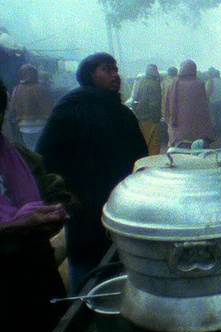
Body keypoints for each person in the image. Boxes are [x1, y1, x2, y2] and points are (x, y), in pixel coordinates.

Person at [37, 52, 148, 294]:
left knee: (122, 261)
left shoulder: (122, 112)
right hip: (84, 204)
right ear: (89, 75)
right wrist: (65, 194)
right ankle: (81, 310)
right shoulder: (69, 109)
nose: (115, 75)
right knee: (86, 266)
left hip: (122, 203)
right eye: (107, 70)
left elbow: (140, 156)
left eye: (116, 69)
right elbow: (44, 156)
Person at [0, 75, 69, 332]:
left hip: (36, 278)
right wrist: (15, 225)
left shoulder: (15, 154)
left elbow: (48, 185)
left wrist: (55, 207)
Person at [164, 59, 214, 148]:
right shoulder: (199, 83)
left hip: (177, 127)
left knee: (178, 153)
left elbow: (167, 103)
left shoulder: (173, 83)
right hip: (196, 128)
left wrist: (169, 119)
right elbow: (203, 107)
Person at [9, 63, 53, 150]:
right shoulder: (39, 89)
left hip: (24, 127)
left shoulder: (16, 89)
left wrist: (14, 122)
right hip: (40, 125)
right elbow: (47, 108)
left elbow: (12, 107)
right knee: (39, 149)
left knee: (30, 149)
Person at [132, 64, 163, 155]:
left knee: (143, 144)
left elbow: (134, 99)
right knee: (153, 146)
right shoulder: (154, 84)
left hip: (140, 119)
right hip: (151, 119)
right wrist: (156, 118)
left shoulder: (140, 83)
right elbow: (154, 104)